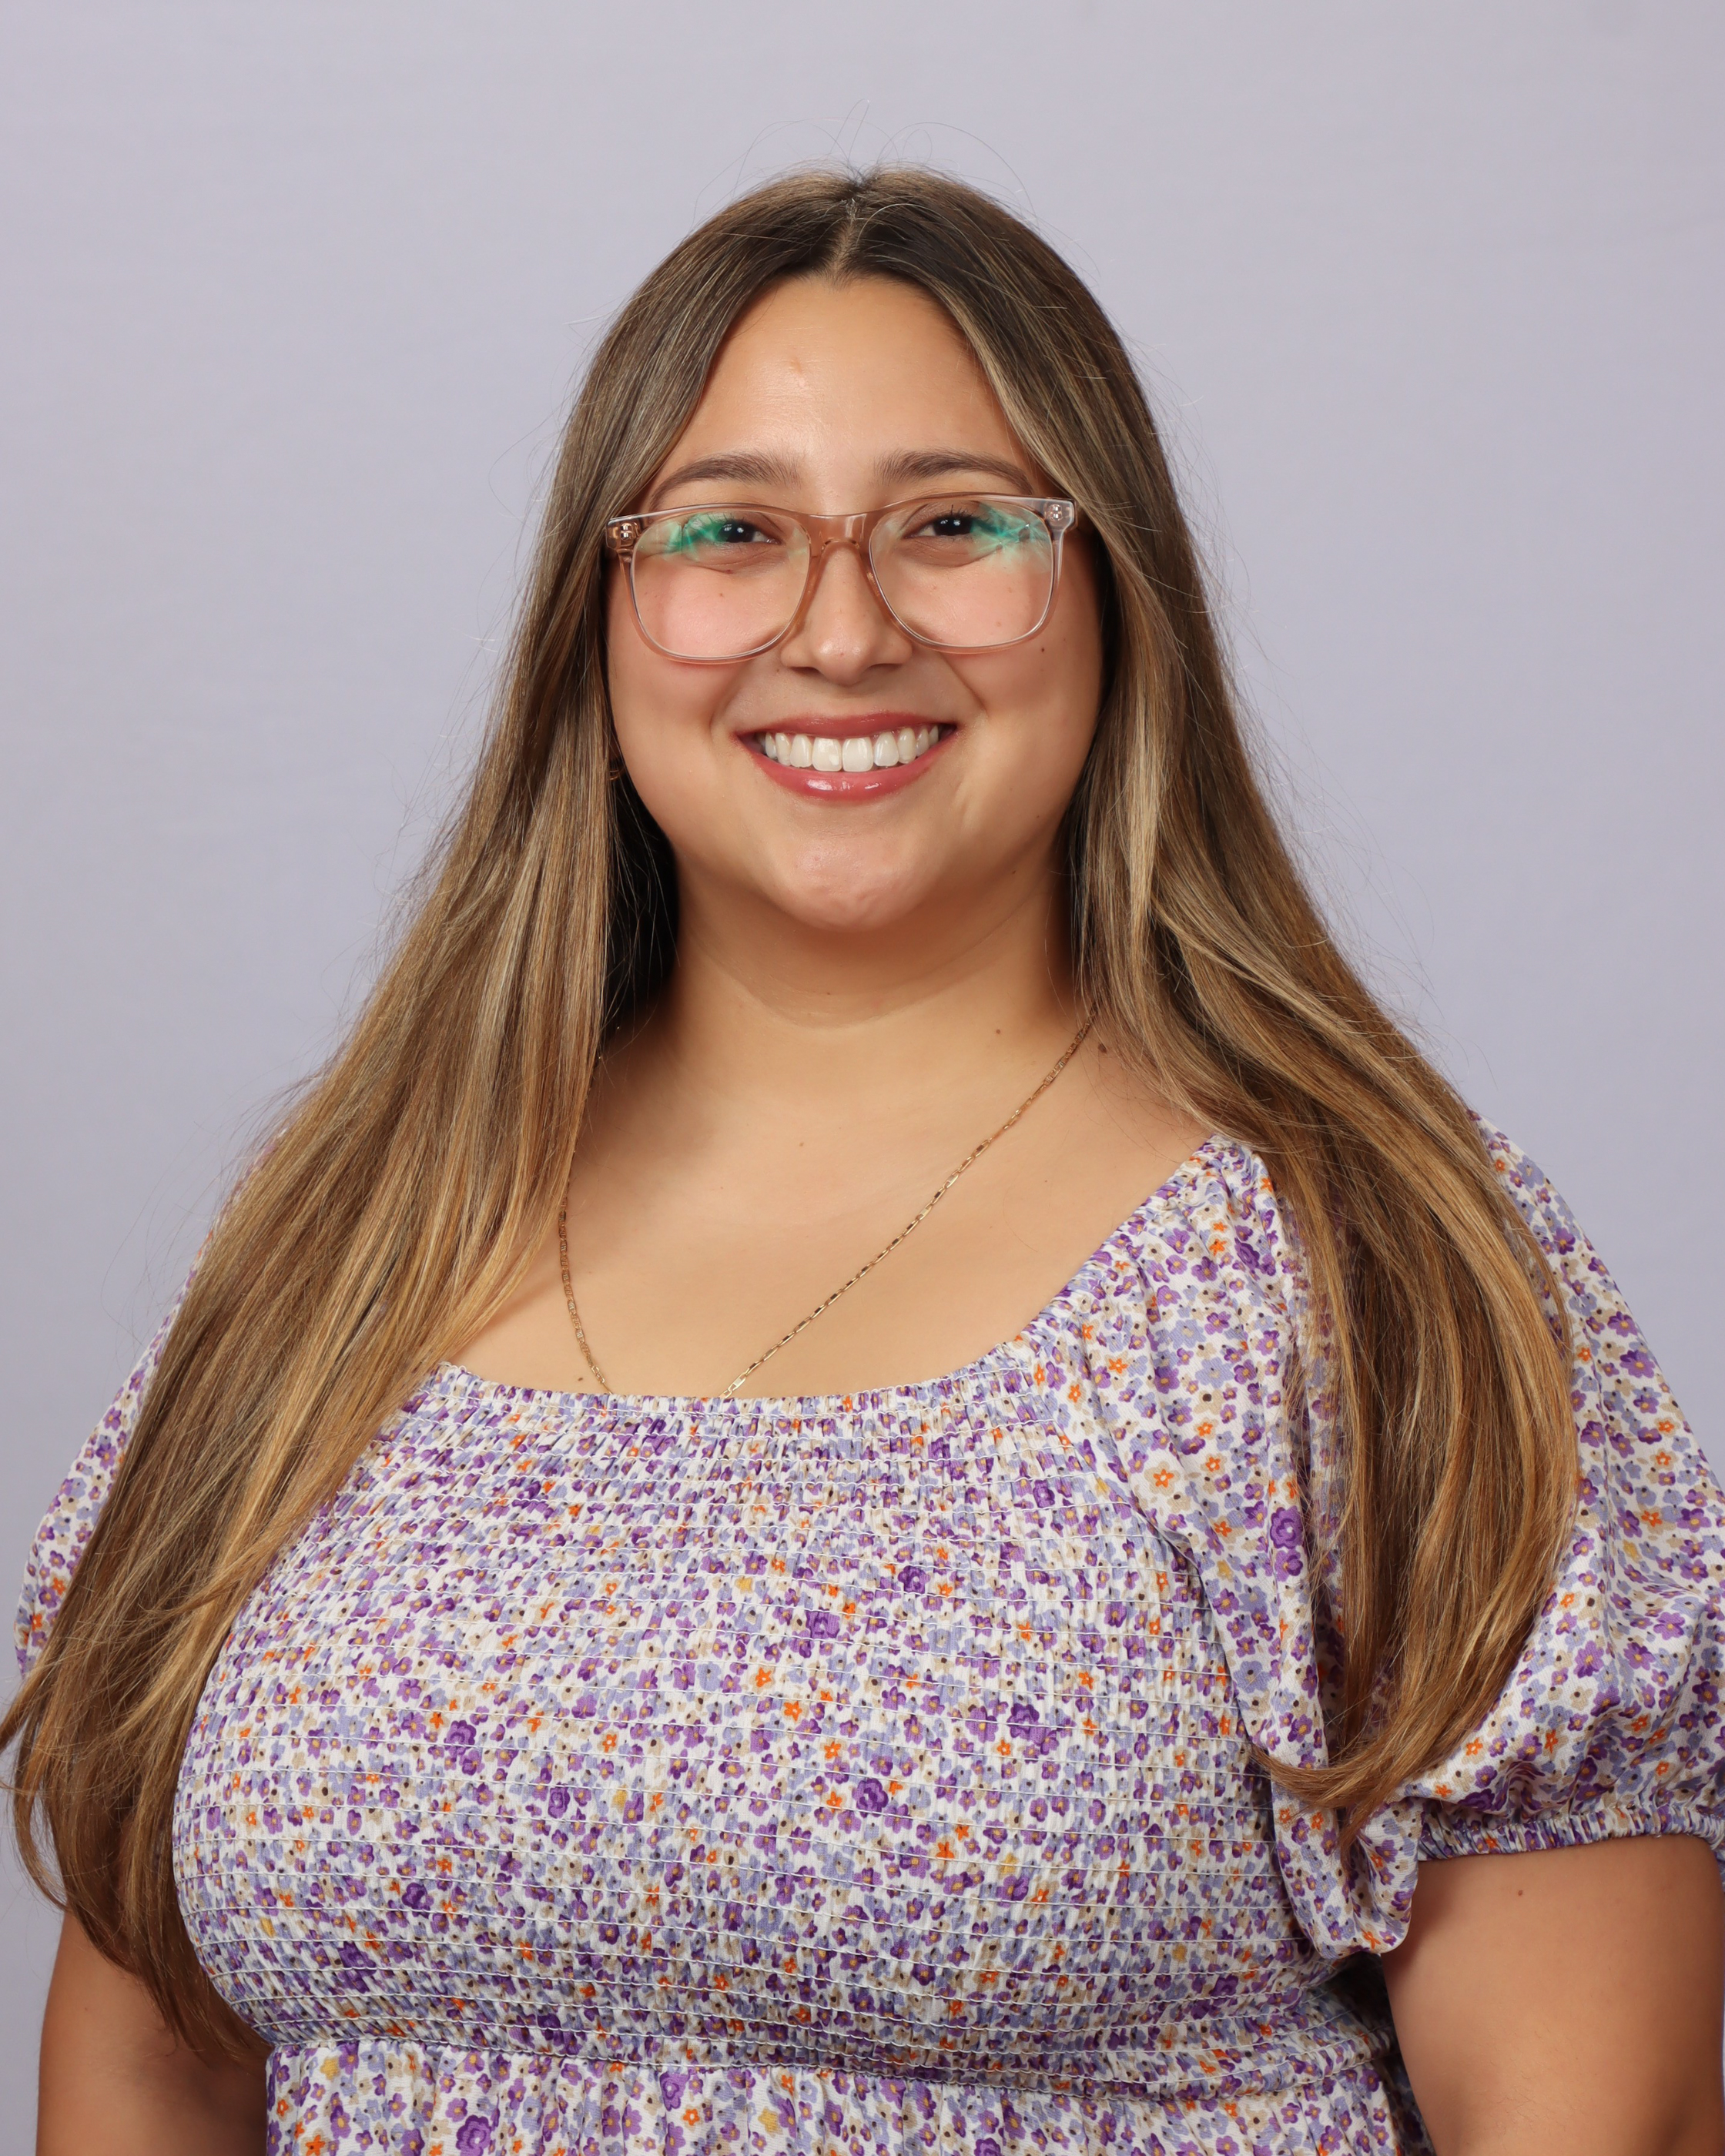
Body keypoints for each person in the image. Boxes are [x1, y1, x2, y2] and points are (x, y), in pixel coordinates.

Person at [6, 167, 1722, 2156]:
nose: (839, 630)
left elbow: (1604, 2122)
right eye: (730, 530)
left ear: (1114, 590)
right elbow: (152, 2050)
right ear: (600, 610)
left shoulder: (1358, 1280)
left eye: (956, 525)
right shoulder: (349, 1248)